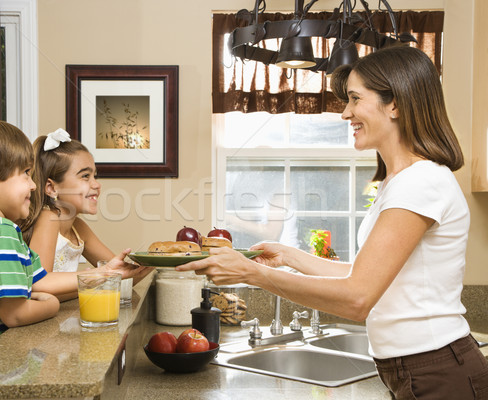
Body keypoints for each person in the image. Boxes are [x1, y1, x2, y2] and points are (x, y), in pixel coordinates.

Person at [176, 46, 488, 399]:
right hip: (421, 369)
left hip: (439, 373)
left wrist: (253, 274)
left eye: (355, 99)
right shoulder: (400, 183)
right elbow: (363, 275)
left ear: (395, 104)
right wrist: (289, 256)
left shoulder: (421, 182)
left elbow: (357, 298)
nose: (345, 113)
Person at [0, 117, 134, 397]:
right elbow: (14, 313)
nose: (33, 185)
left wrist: (107, 272)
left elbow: (36, 279)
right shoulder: (1, 232)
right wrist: (49, 305)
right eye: (25, 174)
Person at [20, 129, 151, 283]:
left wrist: (157, 261)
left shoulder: (78, 228)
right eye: (85, 176)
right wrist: (95, 277)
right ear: (51, 188)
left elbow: (123, 277)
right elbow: (38, 283)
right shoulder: (48, 219)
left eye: (94, 176)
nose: (96, 184)